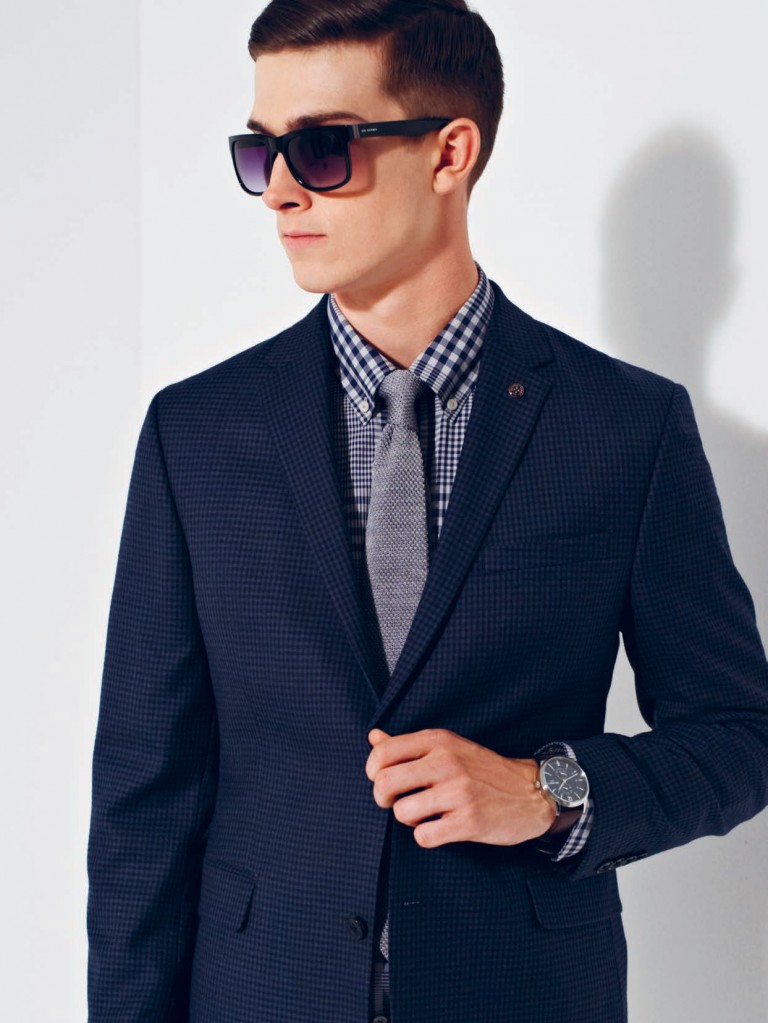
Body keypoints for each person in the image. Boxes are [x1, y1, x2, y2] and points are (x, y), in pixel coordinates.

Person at [85, 2, 768, 1021]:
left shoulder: (626, 427)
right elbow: (144, 800)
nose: (280, 191)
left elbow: (737, 734)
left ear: (450, 152)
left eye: (322, 149)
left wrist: (548, 790)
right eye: (260, 151)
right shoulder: (198, 433)